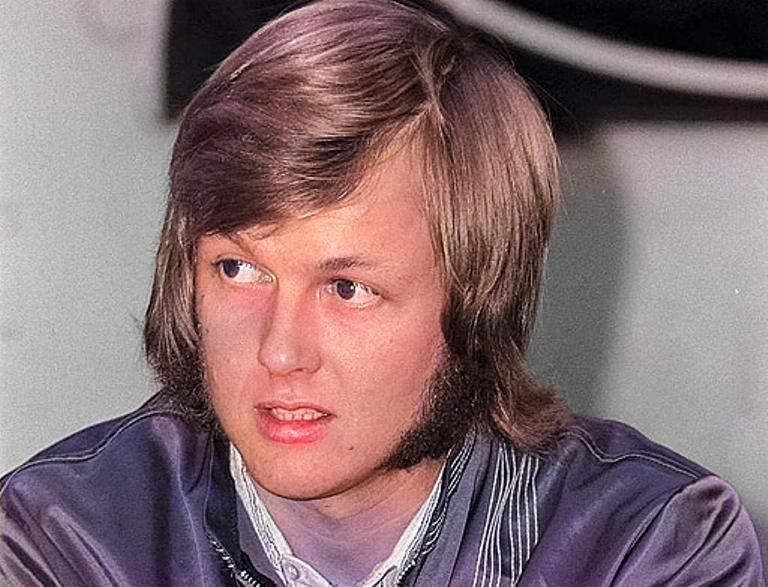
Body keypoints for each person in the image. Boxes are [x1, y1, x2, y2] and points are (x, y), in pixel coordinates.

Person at [1, 0, 764, 585]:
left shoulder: (650, 545)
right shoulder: (65, 535)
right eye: (238, 270)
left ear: (479, 298)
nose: (280, 351)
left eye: (347, 287)